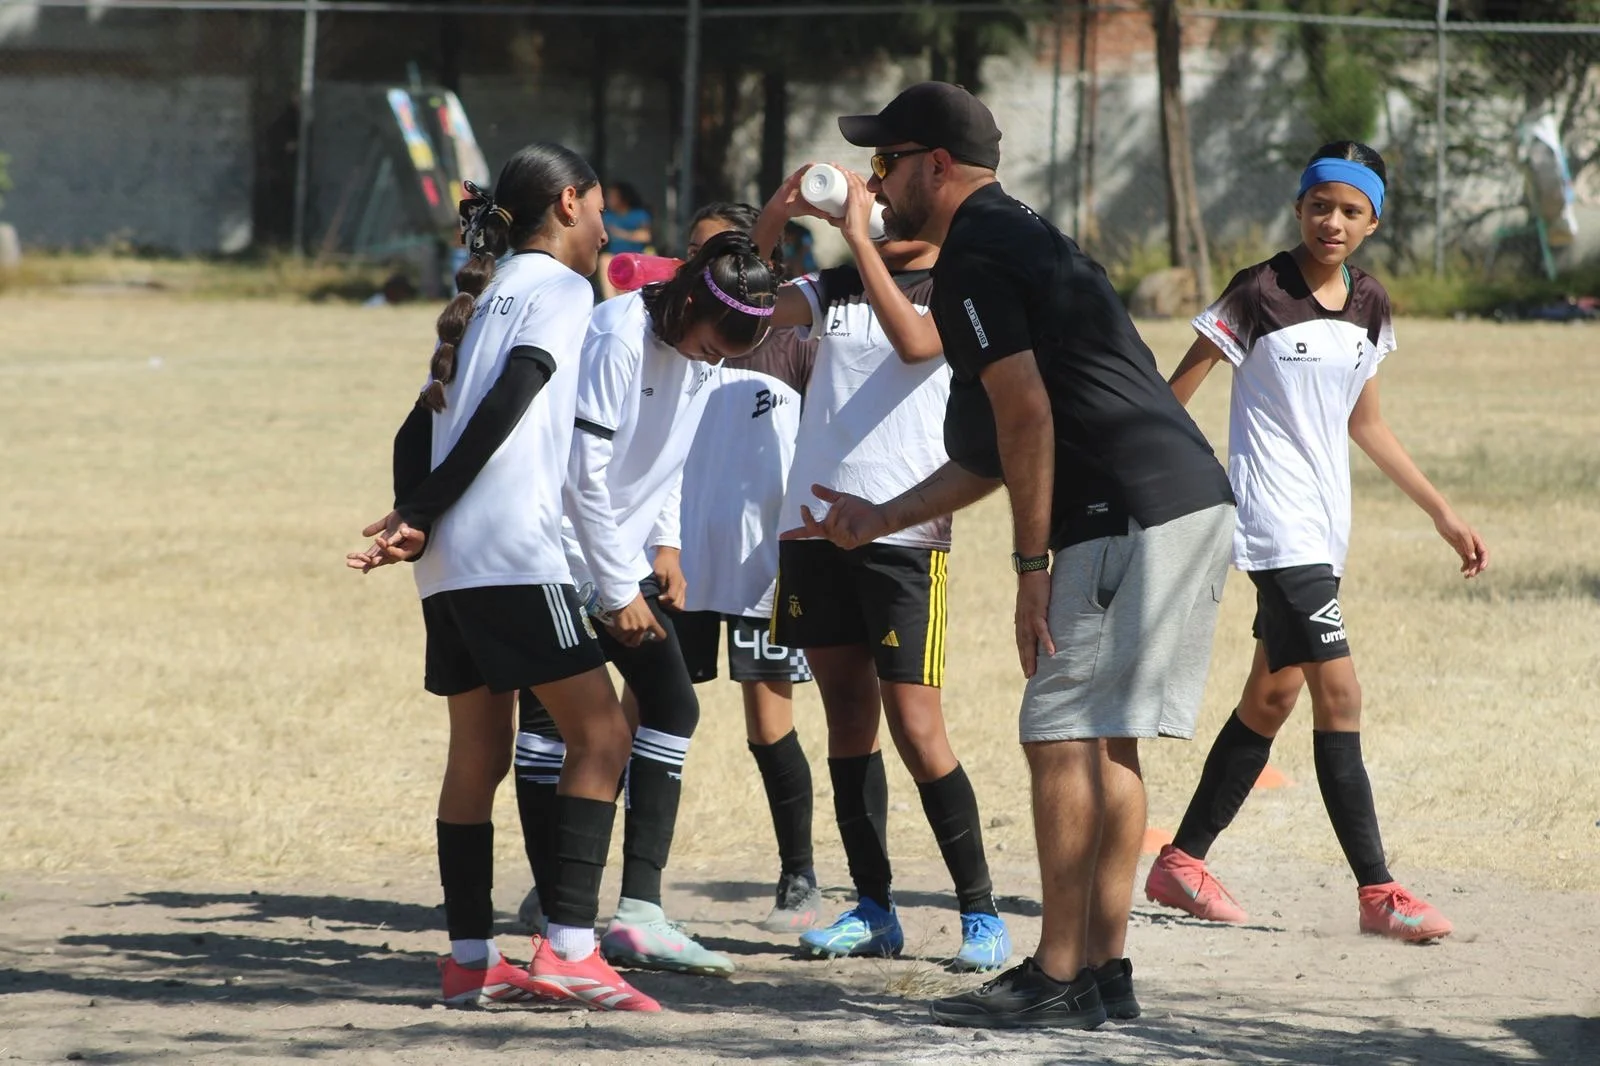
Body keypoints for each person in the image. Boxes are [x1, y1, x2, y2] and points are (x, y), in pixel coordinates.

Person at [794, 82, 1237, 1028]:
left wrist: (1029, 572)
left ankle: (1057, 970)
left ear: (936, 165)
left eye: (889, 162)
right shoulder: (1018, 236)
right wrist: (880, 520)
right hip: (1182, 501)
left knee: (1057, 734)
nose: (879, 181)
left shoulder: (977, 255)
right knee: (1105, 734)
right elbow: (996, 445)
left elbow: (1029, 414)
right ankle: (1104, 971)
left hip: (1122, 512)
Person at [1143, 142, 1489, 942]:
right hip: (1276, 525)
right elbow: (1177, 390)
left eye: (1351, 210)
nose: (1333, 221)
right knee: (1343, 694)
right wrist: (1170, 479)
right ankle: (1379, 892)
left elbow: (1364, 423)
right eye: (1320, 204)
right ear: (1299, 207)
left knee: (1274, 694)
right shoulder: (1258, 292)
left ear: (1373, 222)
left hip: (1326, 530)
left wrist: (1441, 512)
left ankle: (1181, 861)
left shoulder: (1369, 301)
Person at [345, 145, 658, 1012]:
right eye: (599, 209)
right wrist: (425, 508)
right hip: (518, 555)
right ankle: (567, 948)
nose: (607, 227)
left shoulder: (481, 297)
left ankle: (471, 959)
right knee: (602, 738)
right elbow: (513, 396)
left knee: (475, 754)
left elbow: (419, 423)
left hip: (451, 565)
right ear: (568, 203)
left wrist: (420, 516)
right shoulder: (561, 290)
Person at [754, 162, 1012, 973]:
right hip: (812, 531)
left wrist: (861, 243)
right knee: (848, 727)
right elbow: (746, 307)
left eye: (885, 190)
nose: (875, 199)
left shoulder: (957, 288)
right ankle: (874, 908)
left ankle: (981, 914)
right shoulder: (832, 286)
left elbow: (913, 343)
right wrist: (773, 217)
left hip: (903, 539)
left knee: (918, 727)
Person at [512, 230, 779, 980]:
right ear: (689, 300)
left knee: (661, 707)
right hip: (561, 552)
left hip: (622, 556)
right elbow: (580, 473)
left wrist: (665, 545)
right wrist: (616, 587)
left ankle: (620, 912)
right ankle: (587, 909)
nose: (714, 361)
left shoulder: (699, 346)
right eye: (712, 346)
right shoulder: (616, 335)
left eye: (731, 354)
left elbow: (670, 456)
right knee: (568, 726)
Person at [668, 201, 825, 932]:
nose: (704, 268)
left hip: (766, 570)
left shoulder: (793, 341)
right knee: (653, 718)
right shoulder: (670, 342)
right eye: (694, 254)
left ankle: (800, 875)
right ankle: (633, 882)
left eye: (720, 253)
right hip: (678, 566)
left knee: (769, 728)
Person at [598, 182, 654, 299]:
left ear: (623, 197)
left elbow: (645, 235)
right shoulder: (607, 217)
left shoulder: (639, 214)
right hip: (616, 259)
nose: (609, 199)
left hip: (636, 258)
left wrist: (622, 234)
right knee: (605, 259)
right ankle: (611, 301)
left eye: (613, 196)